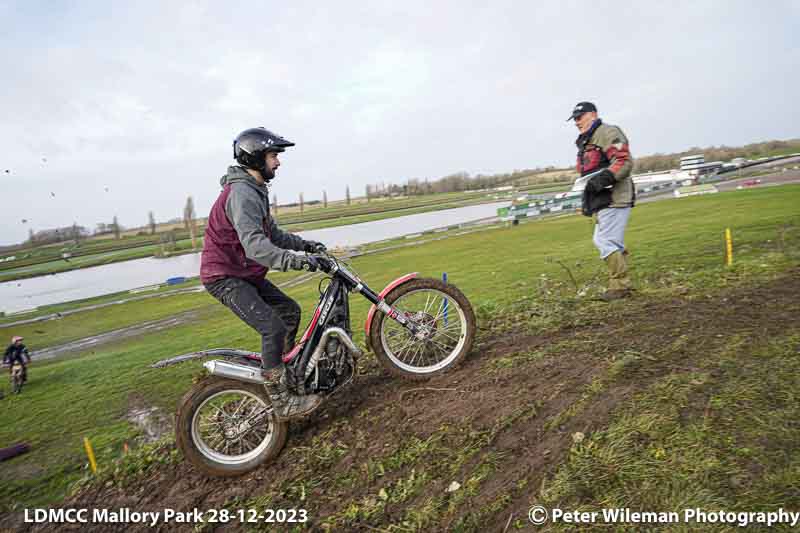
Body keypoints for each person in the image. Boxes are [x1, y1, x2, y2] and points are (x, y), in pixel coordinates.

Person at [200, 127, 328, 420]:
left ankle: (285, 376)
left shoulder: (254, 190)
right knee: (272, 327)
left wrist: (304, 246)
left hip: (244, 273)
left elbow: (271, 233)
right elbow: (257, 246)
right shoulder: (243, 194)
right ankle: (281, 402)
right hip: (225, 277)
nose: (278, 162)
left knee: (289, 312)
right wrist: (300, 262)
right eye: (273, 156)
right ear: (256, 158)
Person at [568, 101, 635, 301]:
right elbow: (589, 173)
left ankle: (620, 286)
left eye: (580, 117)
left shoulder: (607, 132)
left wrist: (601, 180)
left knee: (606, 241)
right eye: (574, 119)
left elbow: (623, 161)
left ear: (593, 115)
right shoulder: (586, 142)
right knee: (606, 240)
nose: (577, 122)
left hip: (615, 196)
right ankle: (620, 283)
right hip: (601, 199)